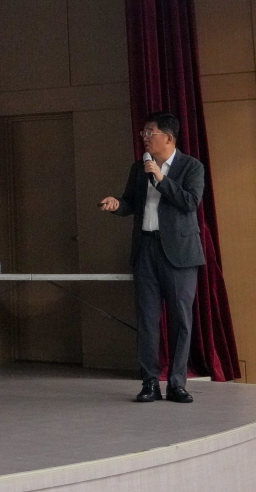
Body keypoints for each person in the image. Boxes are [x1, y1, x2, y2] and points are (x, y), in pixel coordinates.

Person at [99, 112, 206, 404]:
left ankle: (177, 384)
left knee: (180, 320)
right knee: (147, 319)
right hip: (146, 248)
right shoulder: (139, 168)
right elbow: (131, 202)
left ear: (168, 138)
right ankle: (149, 382)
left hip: (179, 253)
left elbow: (190, 202)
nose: (144, 138)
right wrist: (117, 204)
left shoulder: (191, 166)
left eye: (150, 132)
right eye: (144, 133)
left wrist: (160, 179)